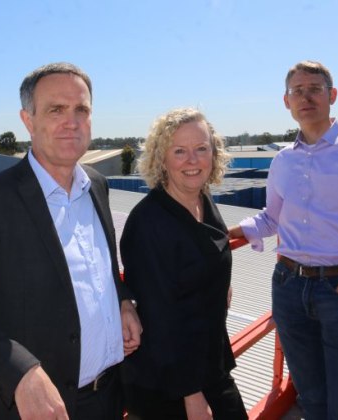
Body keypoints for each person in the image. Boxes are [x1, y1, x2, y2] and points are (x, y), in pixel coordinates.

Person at [0, 62, 142, 420]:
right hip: (41, 409)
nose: (71, 121)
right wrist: (21, 371)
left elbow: (97, 267)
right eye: (56, 109)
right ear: (28, 120)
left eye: (81, 110)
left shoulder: (96, 186)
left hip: (110, 397)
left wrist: (122, 301)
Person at [228, 60, 338, 419]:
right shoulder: (284, 160)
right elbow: (272, 218)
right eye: (297, 91)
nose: (306, 97)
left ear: (332, 95)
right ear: (286, 101)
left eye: (315, 89)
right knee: (312, 398)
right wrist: (227, 233)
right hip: (289, 289)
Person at [120, 107, 247, 420]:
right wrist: (192, 396)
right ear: (162, 159)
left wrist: (217, 285)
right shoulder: (148, 223)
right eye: (180, 151)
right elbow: (158, 317)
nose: (193, 161)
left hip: (209, 361)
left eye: (201, 149)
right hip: (169, 383)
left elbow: (206, 253)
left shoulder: (202, 200)